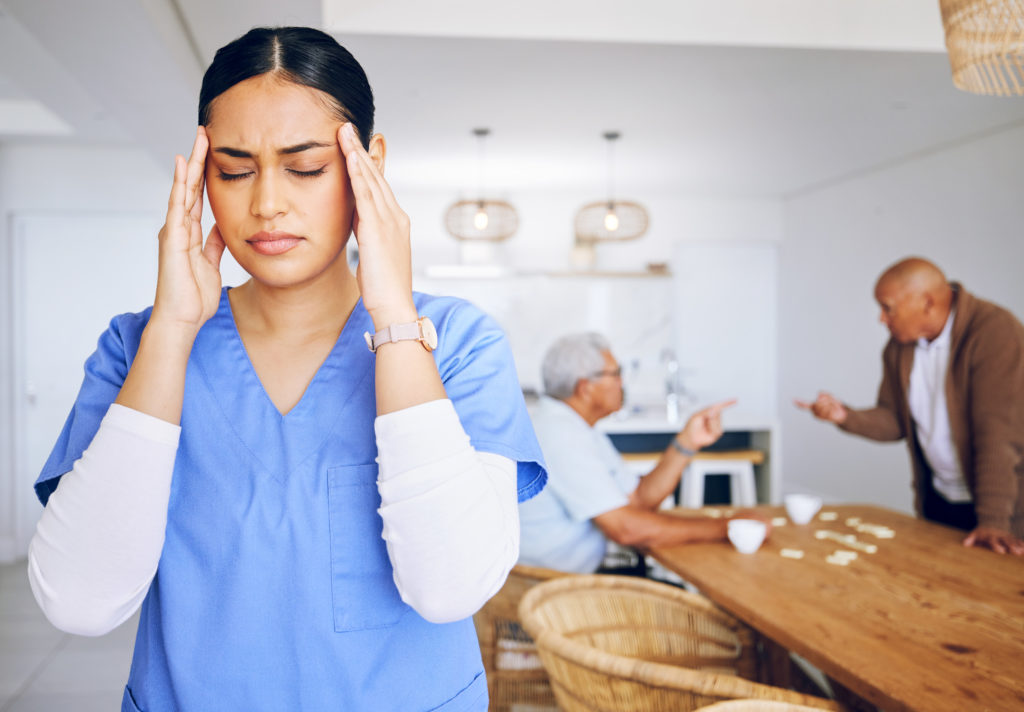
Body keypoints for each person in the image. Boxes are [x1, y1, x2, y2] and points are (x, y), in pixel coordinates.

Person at [26, 27, 546, 711]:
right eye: (234, 170)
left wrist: (392, 318)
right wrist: (173, 330)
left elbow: (448, 587)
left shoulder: (456, 343)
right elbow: (80, 601)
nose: (266, 202)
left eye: (304, 167)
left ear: (369, 164)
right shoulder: (137, 347)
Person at [796, 257, 1024, 555]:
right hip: (940, 501)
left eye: (887, 307)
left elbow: (998, 434)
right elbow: (895, 419)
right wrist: (845, 416)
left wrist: (994, 521)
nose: (881, 318)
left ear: (927, 303)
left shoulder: (995, 332)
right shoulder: (899, 346)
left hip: (1004, 511)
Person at [518, 332, 762, 574]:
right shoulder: (559, 434)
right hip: (548, 592)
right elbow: (626, 529)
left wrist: (687, 442)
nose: (622, 383)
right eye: (615, 374)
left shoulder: (577, 428)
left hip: (573, 579)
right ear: (585, 388)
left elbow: (638, 500)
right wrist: (727, 527)